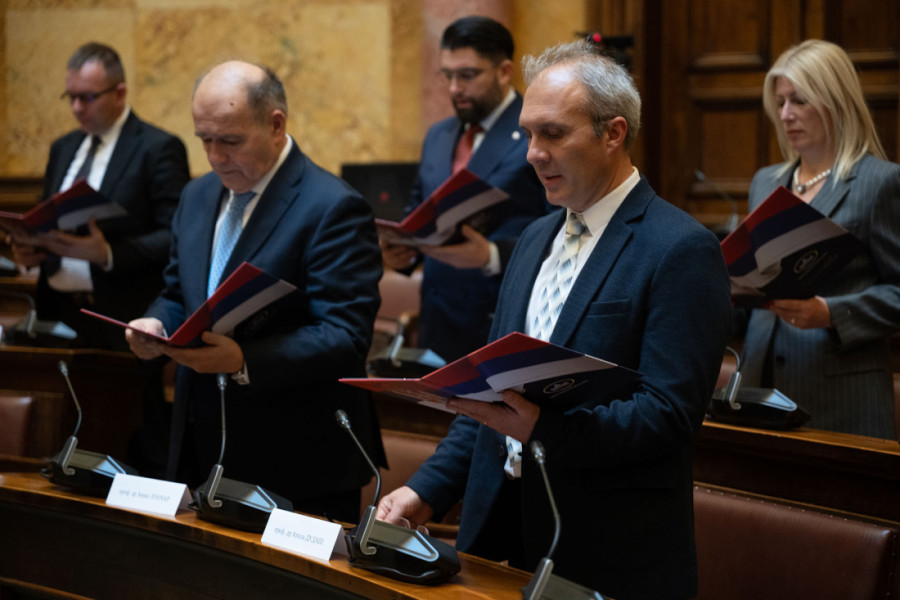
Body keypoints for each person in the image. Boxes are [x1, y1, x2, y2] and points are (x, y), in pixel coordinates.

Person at [377, 40, 731, 599]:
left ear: (613, 133)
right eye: (528, 134)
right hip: (501, 531)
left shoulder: (681, 249)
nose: (533, 154)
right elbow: (488, 395)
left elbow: (668, 418)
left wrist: (544, 431)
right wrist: (427, 490)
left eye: (553, 133)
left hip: (605, 551)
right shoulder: (534, 238)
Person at [125, 61, 385, 522]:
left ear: (275, 125)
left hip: (298, 460)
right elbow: (178, 292)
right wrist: (156, 323)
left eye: (230, 140)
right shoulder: (197, 195)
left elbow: (346, 336)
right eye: (204, 139)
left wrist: (243, 360)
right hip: (200, 446)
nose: (215, 156)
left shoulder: (333, 206)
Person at [735, 40, 900, 439]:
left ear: (836, 101)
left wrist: (831, 313)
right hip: (759, 386)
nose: (785, 114)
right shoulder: (766, 182)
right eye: (780, 102)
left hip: (842, 398)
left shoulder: (879, 182)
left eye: (800, 100)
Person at [381, 15, 547, 362]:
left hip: (499, 319)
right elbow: (419, 211)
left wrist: (491, 254)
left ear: (503, 72)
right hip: (438, 321)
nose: (455, 88)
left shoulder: (536, 132)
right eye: (448, 75)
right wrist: (403, 252)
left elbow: (562, 227)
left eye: (468, 75)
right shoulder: (438, 135)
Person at [8, 42, 190, 351]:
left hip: (121, 316)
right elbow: (47, 221)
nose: (77, 108)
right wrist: (30, 251)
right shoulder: (63, 147)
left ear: (120, 93)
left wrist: (107, 253)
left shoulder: (158, 148)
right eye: (71, 97)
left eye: (87, 97)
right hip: (56, 312)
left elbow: (175, 237)